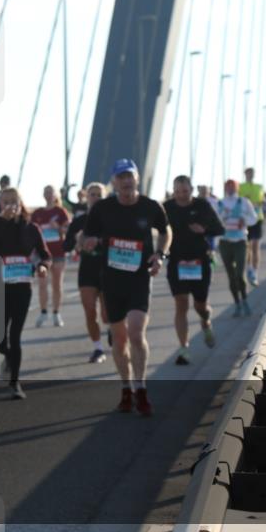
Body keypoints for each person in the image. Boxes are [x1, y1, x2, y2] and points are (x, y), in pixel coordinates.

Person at [82, 159, 170, 417]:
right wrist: (89, 243)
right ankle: (126, 388)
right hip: (111, 280)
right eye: (121, 177)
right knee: (119, 340)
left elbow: (165, 232)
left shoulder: (150, 206)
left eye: (130, 176)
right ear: (114, 182)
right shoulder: (102, 209)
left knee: (135, 332)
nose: (126, 181)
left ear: (137, 179)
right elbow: (88, 236)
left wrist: (160, 254)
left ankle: (140, 388)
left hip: (139, 278)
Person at [0, 187, 50, 399]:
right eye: (5, 202)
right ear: (0, 206)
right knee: (0, 341)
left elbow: (44, 255)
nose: (10, 206)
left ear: (21, 203)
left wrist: (43, 267)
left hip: (22, 287)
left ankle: (15, 383)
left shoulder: (31, 228)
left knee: (15, 336)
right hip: (0, 287)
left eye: (14, 201)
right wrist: (1, 222)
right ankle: (9, 357)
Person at [163, 175, 224, 365]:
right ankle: (184, 349)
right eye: (178, 191)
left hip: (199, 261)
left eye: (185, 191)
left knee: (200, 306)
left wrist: (203, 229)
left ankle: (206, 322)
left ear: (191, 190)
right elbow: (157, 230)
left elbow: (219, 229)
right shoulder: (167, 208)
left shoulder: (202, 205)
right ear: (173, 191)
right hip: (177, 261)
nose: (181, 195)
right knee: (181, 304)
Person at [62, 182, 108, 363]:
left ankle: (113, 329)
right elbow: (66, 246)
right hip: (87, 270)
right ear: (86, 198)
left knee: (107, 315)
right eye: (93, 195)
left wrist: (100, 240)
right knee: (90, 311)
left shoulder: (111, 219)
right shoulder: (80, 221)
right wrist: (74, 239)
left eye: (99, 195)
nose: (96, 198)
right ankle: (98, 349)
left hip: (108, 270)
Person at [216, 179, 259, 316]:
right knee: (231, 276)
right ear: (224, 188)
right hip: (225, 242)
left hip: (240, 241)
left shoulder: (244, 202)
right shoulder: (220, 203)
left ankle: (245, 300)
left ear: (237, 188)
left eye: (232, 186)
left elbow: (254, 218)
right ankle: (237, 303)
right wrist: (221, 220)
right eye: (227, 186)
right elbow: (213, 221)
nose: (229, 188)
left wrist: (244, 219)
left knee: (239, 274)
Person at [31, 185, 70, 328]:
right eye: (45, 192)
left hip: (58, 252)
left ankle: (56, 313)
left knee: (56, 284)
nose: (48, 195)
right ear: (43, 194)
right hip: (42, 254)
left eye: (50, 192)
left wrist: (58, 228)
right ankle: (43, 311)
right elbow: (31, 232)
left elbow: (68, 230)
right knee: (42, 284)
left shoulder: (60, 212)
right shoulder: (37, 213)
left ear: (55, 195)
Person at [239, 167, 265, 287]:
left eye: (252, 173)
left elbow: (262, 200)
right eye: (248, 173)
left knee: (256, 246)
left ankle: (254, 272)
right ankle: (249, 268)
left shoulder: (259, 186)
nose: (250, 175)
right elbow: (239, 201)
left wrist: (258, 203)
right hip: (246, 220)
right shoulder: (241, 187)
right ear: (245, 174)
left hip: (258, 219)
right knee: (247, 247)